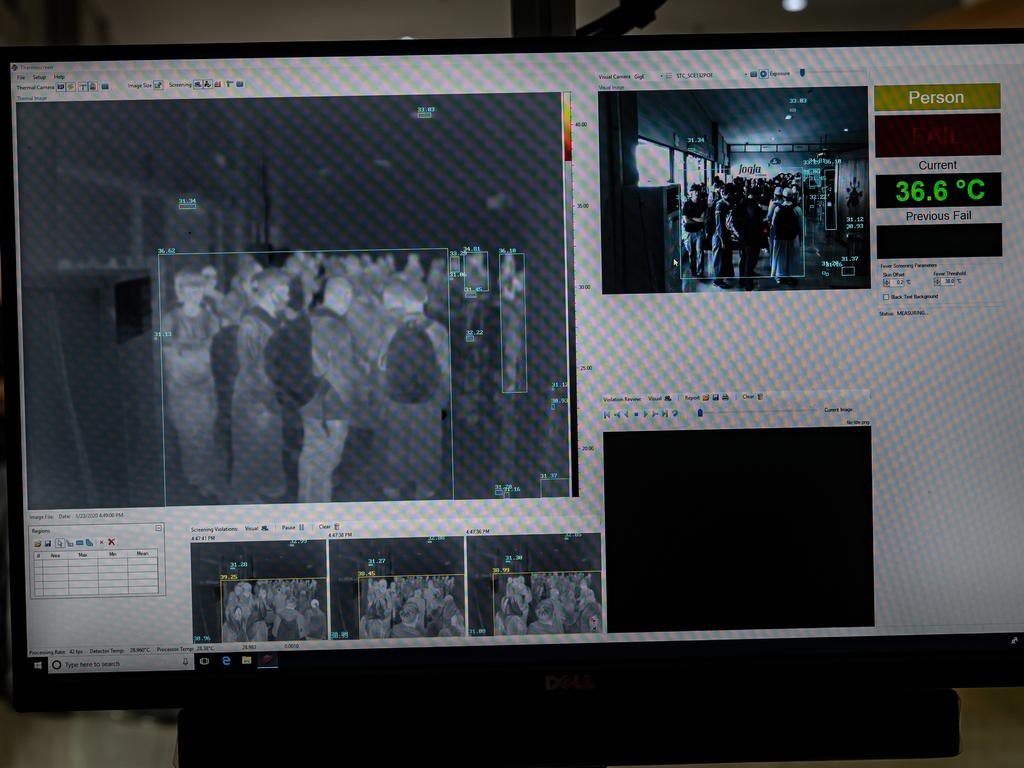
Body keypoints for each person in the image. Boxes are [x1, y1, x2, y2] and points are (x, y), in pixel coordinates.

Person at [377, 278, 450, 500]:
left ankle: (392, 486)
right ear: (425, 299)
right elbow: (445, 369)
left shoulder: (390, 328)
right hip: (428, 399)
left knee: (396, 443)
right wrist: (443, 402)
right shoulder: (437, 330)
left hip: (396, 397)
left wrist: (383, 397)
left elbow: (380, 365)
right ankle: (425, 488)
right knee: (427, 444)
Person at [297, 277, 363, 503]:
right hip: (332, 405)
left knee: (310, 456)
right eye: (349, 298)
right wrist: (350, 405)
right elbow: (340, 374)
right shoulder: (337, 328)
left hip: (308, 399)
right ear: (343, 297)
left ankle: (304, 506)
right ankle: (318, 516)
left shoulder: (308, 318)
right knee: (326, 465)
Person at [230, 268, 290, 503]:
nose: (288, 293)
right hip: (254, 400)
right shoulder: (251, 323)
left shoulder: (277, 318)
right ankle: (246, 501)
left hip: (271, 396)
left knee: (269, 449)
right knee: (251, 451)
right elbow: (251, 369)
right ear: (271, 291)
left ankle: (268, 487)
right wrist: (272, 400)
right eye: (283, 288)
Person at [162, 268, 221, 500]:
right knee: (189, 433)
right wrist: (191, 355)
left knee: (206, 431)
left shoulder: (211, 318)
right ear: (181, 292)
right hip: (182, 387)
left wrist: (188, 353)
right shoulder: (170, 319)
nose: (194, 293)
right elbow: (168, 352)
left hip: (205, 384)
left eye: (198, 288)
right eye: (189, 289)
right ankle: (197, 477)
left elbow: (213, 351)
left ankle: (205, 474)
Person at [735, 186, 767, 290]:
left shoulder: (743, 203)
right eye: (759, 195)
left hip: (744, 237)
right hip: (752, 238)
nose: (760, 196)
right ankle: (748, 284)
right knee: (750, 260)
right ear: (756, 195)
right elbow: (756, 222)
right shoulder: (753, 205)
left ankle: (741, 280)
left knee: (744, 259)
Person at [770, 188, 803, 285]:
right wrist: (800, 238)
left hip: (780, 237)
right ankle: (791, 276)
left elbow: (773, 224)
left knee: (780, 256)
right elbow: (800, 226)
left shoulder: (778, 208)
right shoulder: (797, 209)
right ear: (792, 197)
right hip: (793, 237)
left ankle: (779, 276)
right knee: (792, 256)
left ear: (783, 197)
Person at [711, 182, 736, 289]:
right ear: (729, 193)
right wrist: (722, 241)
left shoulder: (727, 203)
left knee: (725, 257)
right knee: (719, 258)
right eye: (732, 193)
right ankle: (717, 280)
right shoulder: (720, 205)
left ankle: (724, 275)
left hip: (725, 234)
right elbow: (719, 226)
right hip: (719, 236)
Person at [682, 184, 707, 279]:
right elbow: (685, 220)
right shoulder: (686, 204)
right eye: (695, 191)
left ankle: (700, 272)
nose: (697, 193)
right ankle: (693, 271)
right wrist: (696, 219)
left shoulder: (703, 203)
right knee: (691, 253)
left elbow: (703, 219)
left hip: (699, 232)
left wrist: (691, 218)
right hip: (689, 233)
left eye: (698, 191)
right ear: (691, 193)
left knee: (700, 252)